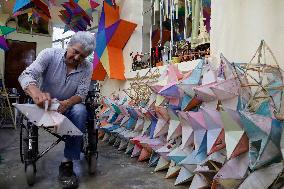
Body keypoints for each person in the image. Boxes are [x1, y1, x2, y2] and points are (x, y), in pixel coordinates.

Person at [18, 31, 96, 188]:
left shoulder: (87, 67)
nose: (76, 58)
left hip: (68, 106)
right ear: (69, 45)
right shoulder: (49, 54)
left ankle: (67, 164)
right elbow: (26, 75)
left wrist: (66, 103)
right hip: (44, 106)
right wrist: (36, 93)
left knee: (81, 111)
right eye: (75, 52)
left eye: (82, 56)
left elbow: (81, 94)